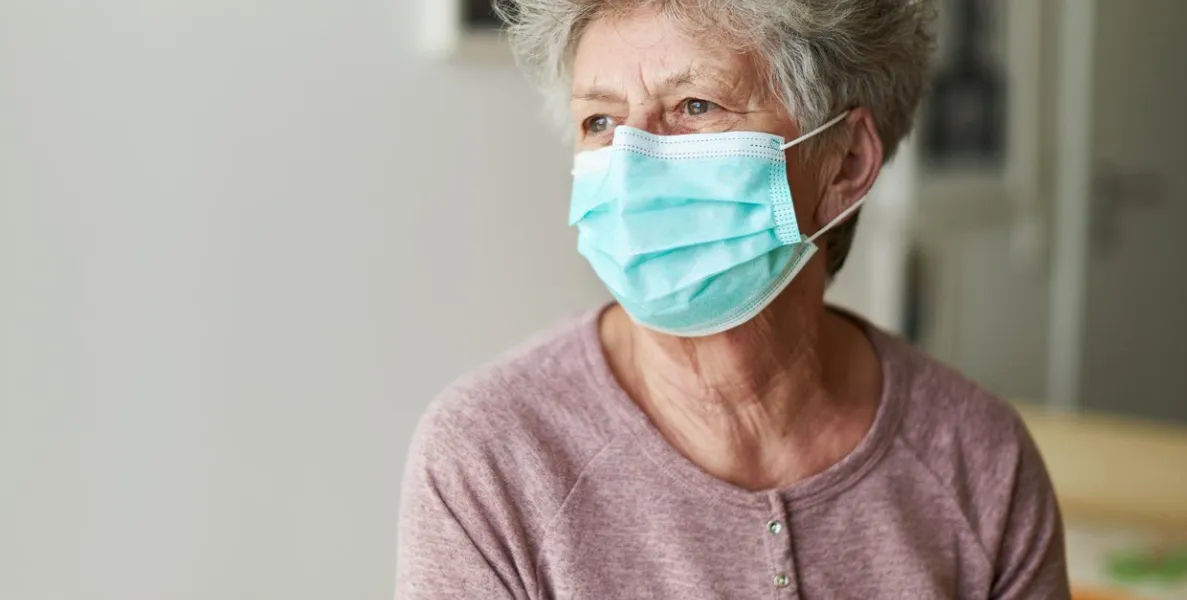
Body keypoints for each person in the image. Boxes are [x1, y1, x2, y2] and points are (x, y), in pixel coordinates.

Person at [396, 0, 1069, 598]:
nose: (630, 165)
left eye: (696, 106)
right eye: (600, 120)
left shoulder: (980, 462)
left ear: (845, 163)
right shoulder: (490, 459)